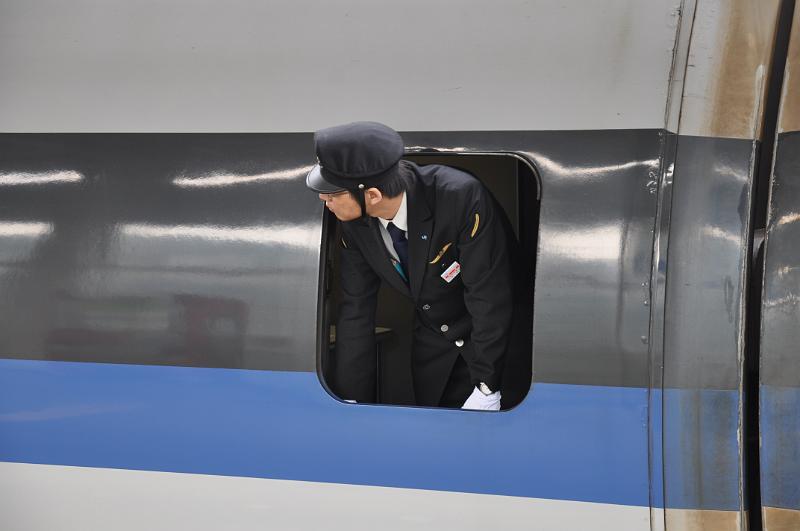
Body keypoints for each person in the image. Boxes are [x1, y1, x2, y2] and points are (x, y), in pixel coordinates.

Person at [307, 121, 528, 410]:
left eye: (333, 194)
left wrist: (487, 386)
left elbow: (489, 295)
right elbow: (356, 308)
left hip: (493, 344)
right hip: (434, 349)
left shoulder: (460, 196)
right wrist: (349, 398)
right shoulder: (355, 223)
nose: (324, 201)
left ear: (372, 195)